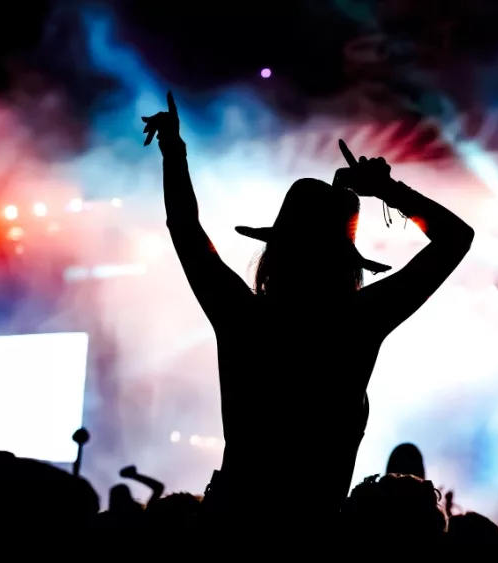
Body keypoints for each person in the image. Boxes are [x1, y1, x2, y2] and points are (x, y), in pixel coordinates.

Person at [142, 92, 474, 522]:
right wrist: (388, 191)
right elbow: (455, 238)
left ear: (275, 253)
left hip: (231, 526)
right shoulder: (358, 320)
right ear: (345, 264)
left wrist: (174, 151)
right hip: (311, 536)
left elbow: (185, 228)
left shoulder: (243, 316)